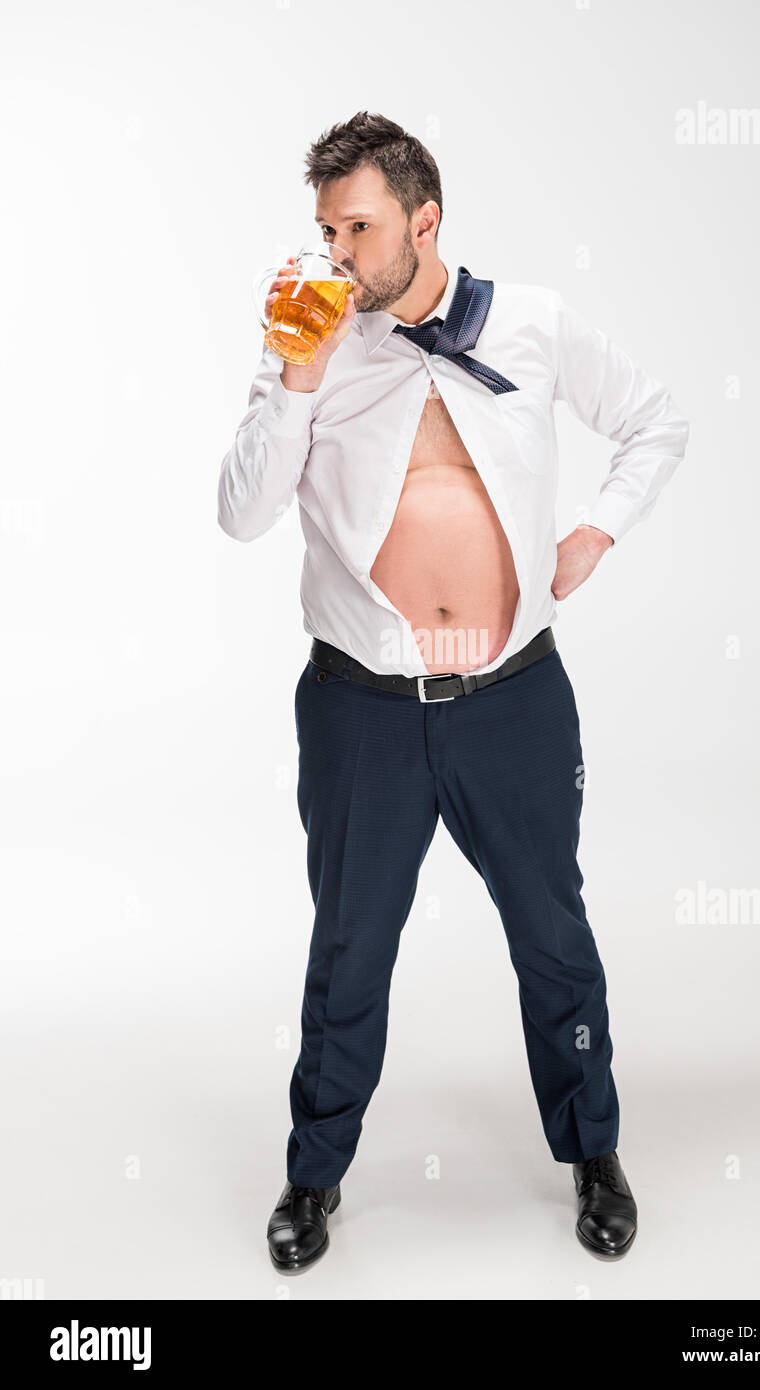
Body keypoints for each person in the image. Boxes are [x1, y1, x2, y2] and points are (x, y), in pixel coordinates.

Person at [217, 111, 689, 1274]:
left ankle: (594, 1151)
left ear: (424, 223)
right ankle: (314, 1174)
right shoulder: (314, 338)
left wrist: (596, 531)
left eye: (358, 227)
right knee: (350, 952)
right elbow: (240, 513)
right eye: (325, 226)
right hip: (362, 708)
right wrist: (294, 375)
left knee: (554, 939)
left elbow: (654, 421)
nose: (335, 251)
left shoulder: (532, 323)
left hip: (514, 702)